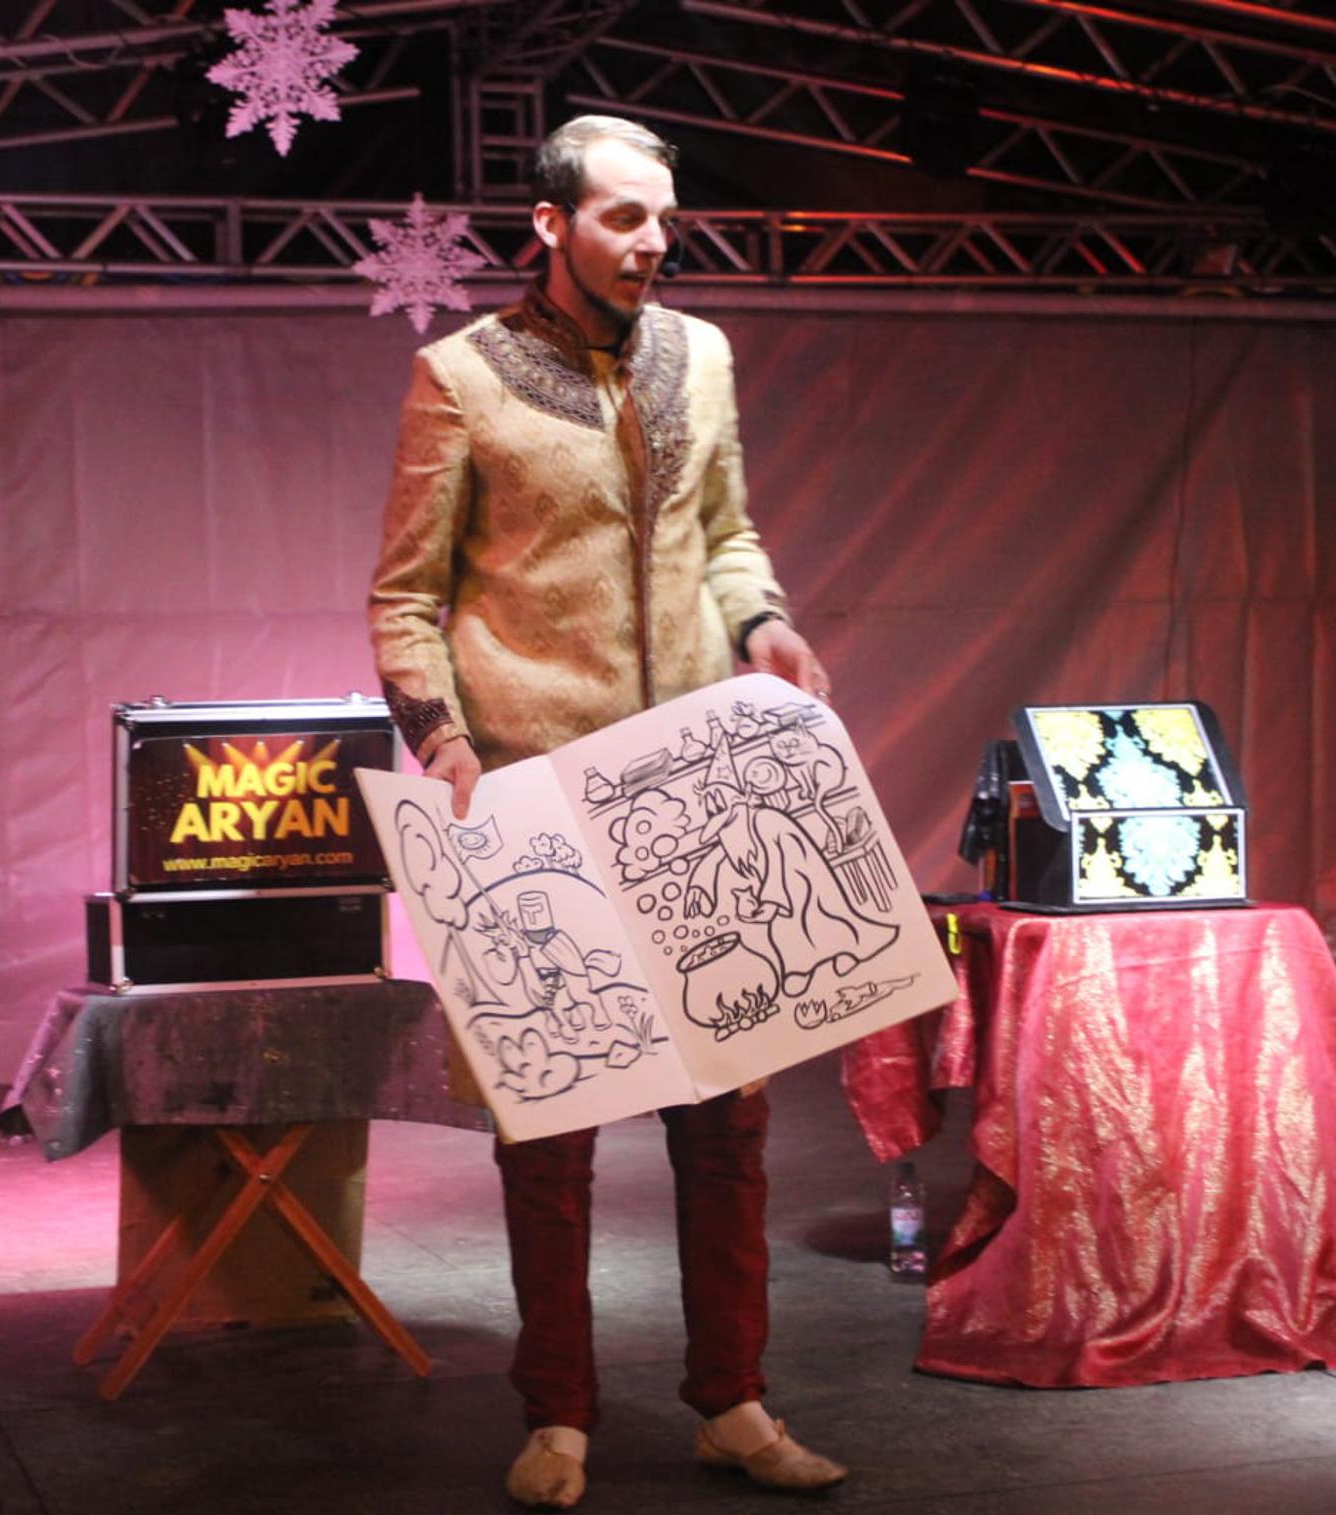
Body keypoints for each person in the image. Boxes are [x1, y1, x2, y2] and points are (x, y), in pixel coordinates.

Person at [368, 113, 847, 1509]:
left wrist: (762, 624)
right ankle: (559, 1416)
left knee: (728, 1129)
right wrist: (444, 738)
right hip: (536, 791)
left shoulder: (704, 354)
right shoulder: (460, 375)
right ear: (551, 223)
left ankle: (733, 1401)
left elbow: (729, 534)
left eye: (664, 219)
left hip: (698, 788)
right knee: (553, 1136)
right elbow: (405, 597)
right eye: (624, 217)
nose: (652, 243)